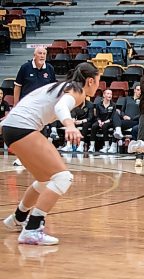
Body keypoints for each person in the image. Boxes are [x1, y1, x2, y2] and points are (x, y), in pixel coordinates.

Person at [1, 62, 100, 245]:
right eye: (98, 81)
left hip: (11, 128)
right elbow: (61, 107)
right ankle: (32, 229)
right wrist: (70, 125)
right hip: (22, 127)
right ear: (90, 81)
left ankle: (18, 218)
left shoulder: (60, 86)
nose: (99, 86)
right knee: (63, 177)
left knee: (45, 180)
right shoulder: (76, 91)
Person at [88, 89, 118, 153]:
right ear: (104, 95)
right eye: (108, 94)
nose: (110, 95)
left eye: (111, 94)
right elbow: (97, 116)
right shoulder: (98, 104)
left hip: (109, 121)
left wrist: (104, 122)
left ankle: (106, 146)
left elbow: (113, 117)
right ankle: (92, 146)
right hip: (100, 121)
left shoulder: (113, 105)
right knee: (94, 126)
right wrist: (99, 121)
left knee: (104, 126)